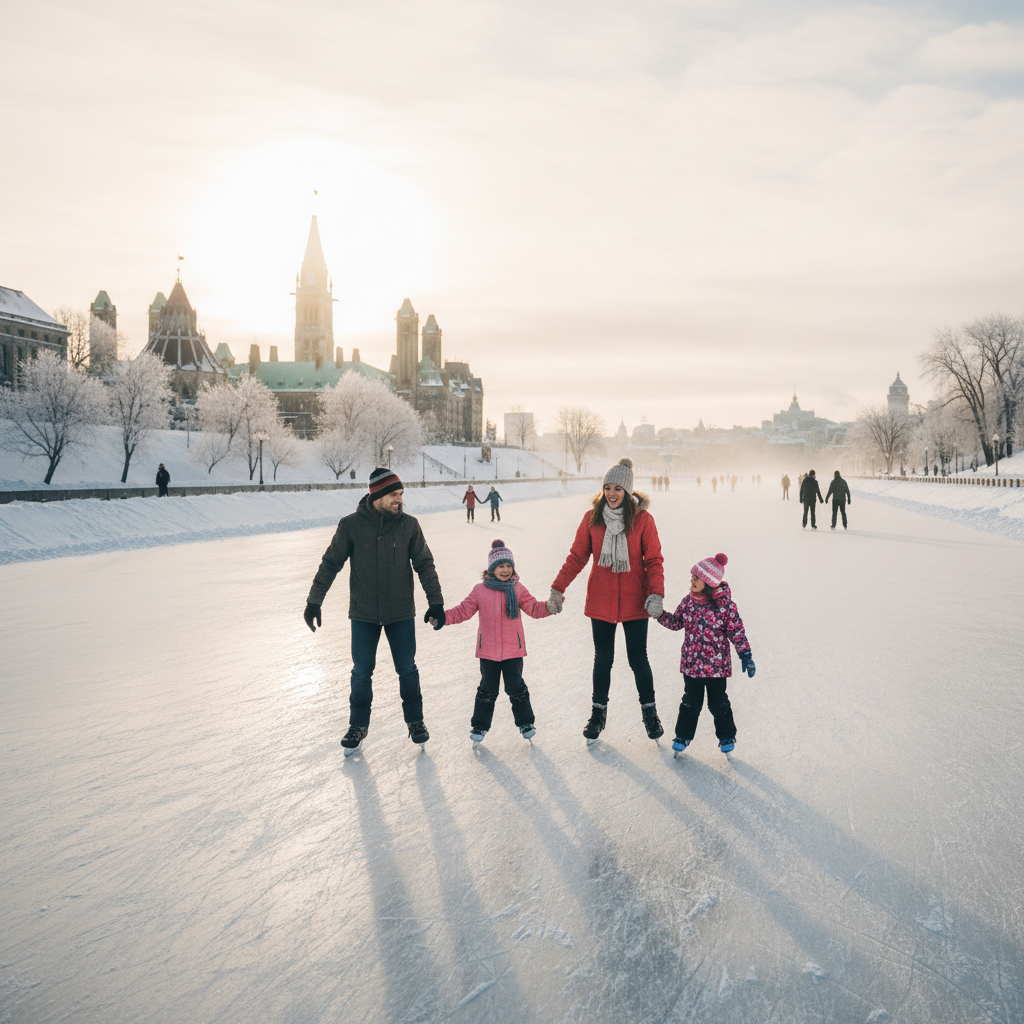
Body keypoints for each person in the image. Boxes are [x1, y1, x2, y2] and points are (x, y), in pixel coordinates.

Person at [303, 468, 445, 754]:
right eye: (394, 494)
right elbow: (331, 563)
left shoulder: (409, 526)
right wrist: (314, 600)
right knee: (361, 671)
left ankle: (416, 722)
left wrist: (436, 602)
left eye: (401, 495)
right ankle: (357, 725)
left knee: (407, 669)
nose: (399, 500)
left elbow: (425, 565)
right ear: (376, 495)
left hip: (401, 611)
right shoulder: (351, 525)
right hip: (364, 613)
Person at [549, 458, 666, 744]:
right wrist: (557, 588)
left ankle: (650, 714)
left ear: (627, 491)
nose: (612, 494)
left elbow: (653, 560)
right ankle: (598, 715)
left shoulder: (642, 520)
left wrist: (656, 594)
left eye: (617, 489)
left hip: (635, 601)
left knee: (638, 659)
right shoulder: (593, 518)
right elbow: (577, 557)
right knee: (603, 659)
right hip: (601, 599)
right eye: (607, 488)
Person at [435, 539, 557, 744]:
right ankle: (479, 726)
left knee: (516, 687)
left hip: (513, 650)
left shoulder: (518, 589)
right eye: (501, 566)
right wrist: (442, 617)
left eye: (509, 566)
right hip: (488, 652)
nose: (506, 570)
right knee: (487, 689)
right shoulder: (479, 590)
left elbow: (534, 608)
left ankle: (526, 722)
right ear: (491, 568)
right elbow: (463, 611)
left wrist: (550, 607)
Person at [655, 552, 753, 755]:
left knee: (719, 703)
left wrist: (746, 655)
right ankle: (682, 735)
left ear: (708, 582)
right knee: (690, 703)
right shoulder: (688, 602)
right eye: (692, 576)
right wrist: (659, 615)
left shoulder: (725, 606)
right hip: (692, 666)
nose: (691, 580)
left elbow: (737, 631)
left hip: (717, 668)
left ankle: (726, 736)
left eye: (696, 577)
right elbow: (676, 623)